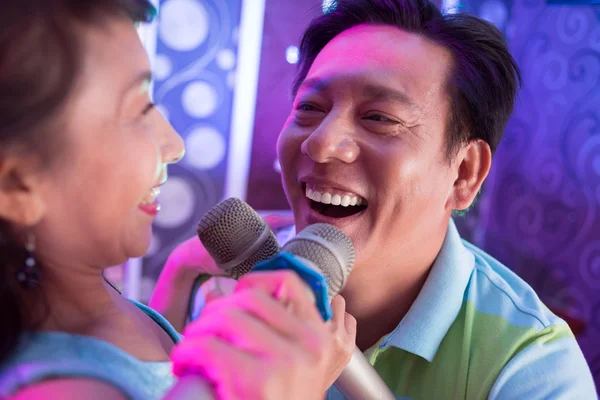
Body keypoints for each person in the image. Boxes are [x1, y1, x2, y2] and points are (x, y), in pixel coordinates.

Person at [153, 0, 597, 398]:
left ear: (464, 173)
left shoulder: (530, 367)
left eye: (379, 118)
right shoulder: (231, 280)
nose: (322, 144)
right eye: (310, 108)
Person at [0, 1, 353, 399]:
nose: (174, 144)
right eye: (139, 110)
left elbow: (153, 375)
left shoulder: (97, 307)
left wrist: (180, 272)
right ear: (18, 185)